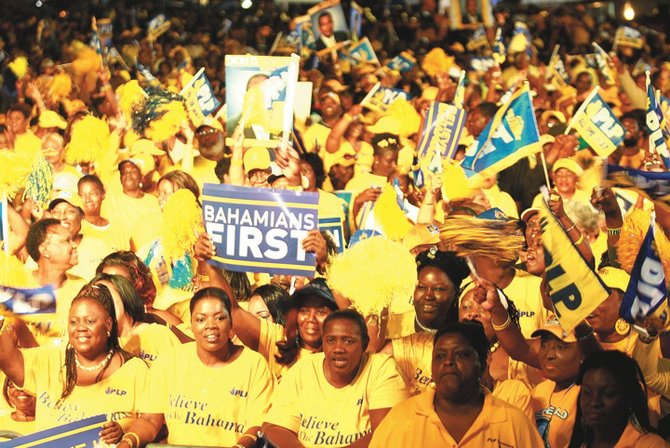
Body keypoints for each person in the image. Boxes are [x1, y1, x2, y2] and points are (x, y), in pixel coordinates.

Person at [117, 287, 273, 448]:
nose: (210, 325)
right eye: (200, 319)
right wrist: (128, 442)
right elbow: (150, 419)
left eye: (219, 318)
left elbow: (258, 427)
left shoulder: (254, 365)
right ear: (190, 324)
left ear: (231, 323)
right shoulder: (169, 360)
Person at [0, 283, 148, 442]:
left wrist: (124, 431)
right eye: (73, 322)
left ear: (108, 325)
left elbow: (153, 423)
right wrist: (8, 316)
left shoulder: (135, 370)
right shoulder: (51, 359)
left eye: (90, 321)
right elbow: (6, 357)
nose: (80, 328)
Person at [369, 322, 543, 447]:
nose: (448, 362)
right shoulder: (400, 419)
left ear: (484, 361)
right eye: (440, 356)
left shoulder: (514, 423)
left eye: (461, 355)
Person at [262, 309, 408, 447]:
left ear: (364, 344)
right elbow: (273, 427)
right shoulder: (305, 368)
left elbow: (386, 433)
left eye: (348, 341)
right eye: (331, 340)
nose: (338, 349)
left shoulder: (382, 368)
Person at [381, 250, 470, 394]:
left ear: (455, 294)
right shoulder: (391, 326)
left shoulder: (464, 336)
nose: (428, 295)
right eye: (421, 287)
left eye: (439, 289)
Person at [569, 351, 669, 448]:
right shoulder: (579, 442)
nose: (594, 402)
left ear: (628, 397)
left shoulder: (651, 445)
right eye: (587, 393)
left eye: (608, 393)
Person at [91, 273, 180, 367]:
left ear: (124, 294)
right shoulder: (96, 343)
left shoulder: (157, 333)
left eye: (107, 295)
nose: (104, 303)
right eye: (97, 299)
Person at [22, 218, 87, 344]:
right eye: (66, 241)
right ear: (45, 250)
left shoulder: (82, 288)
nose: (74, 245)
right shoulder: (20, 286)